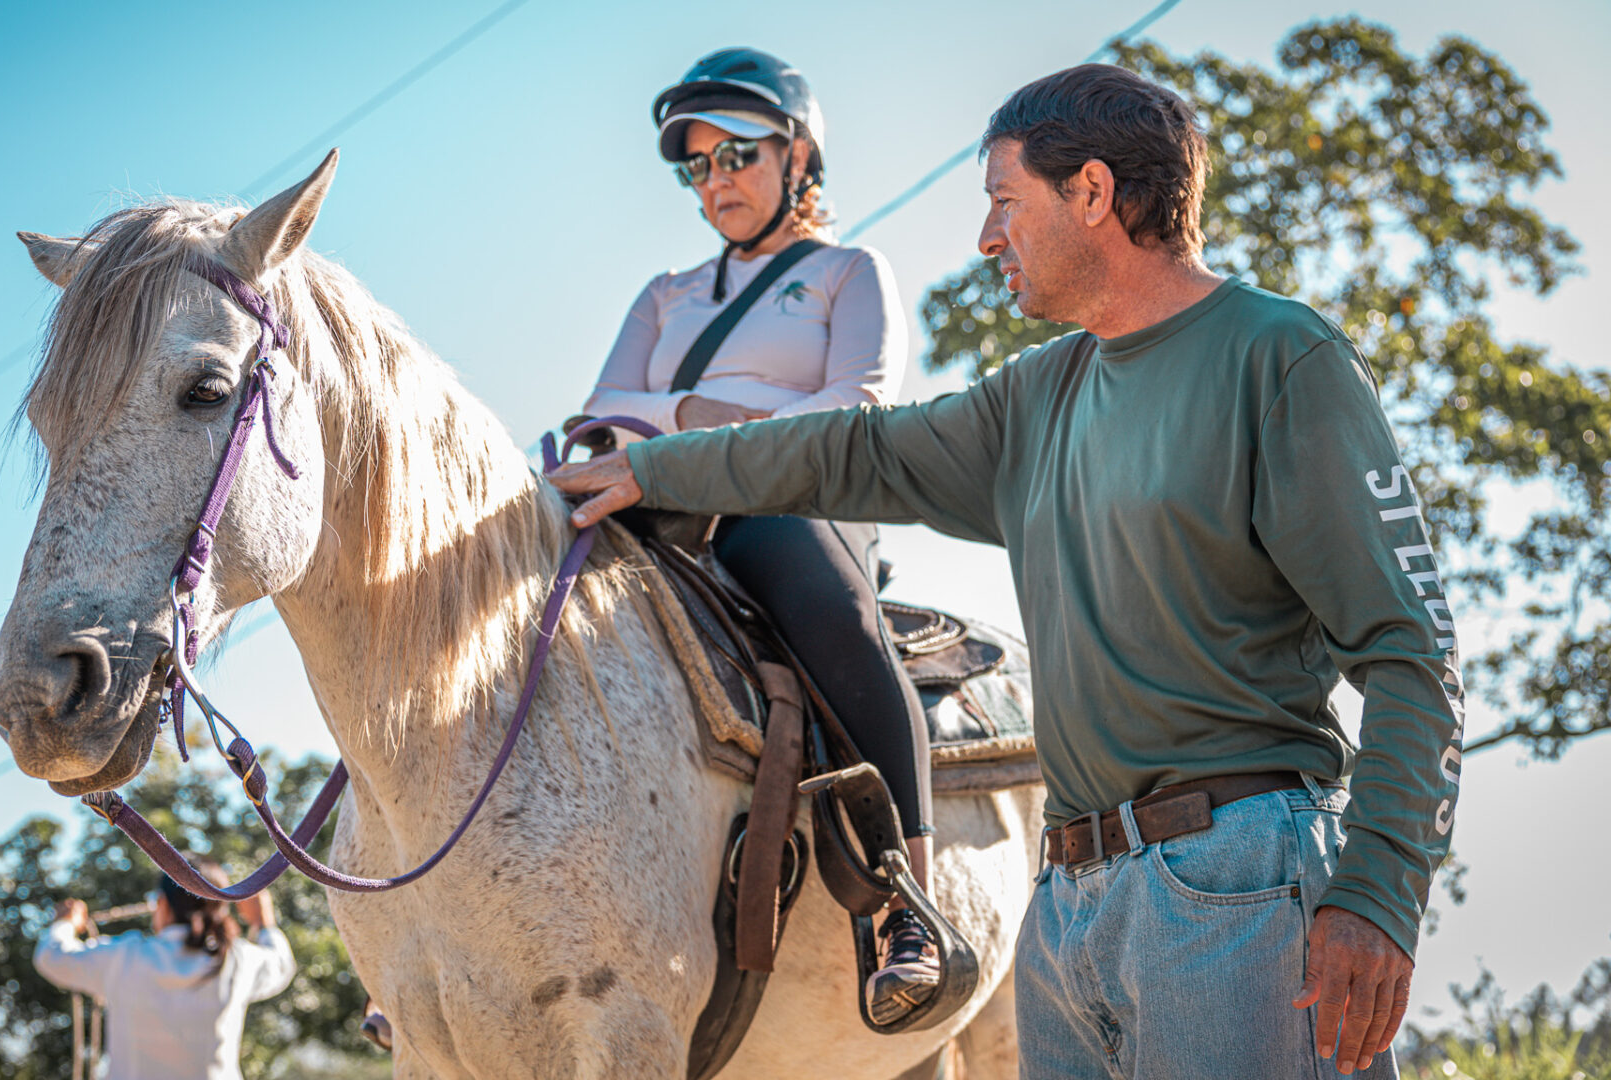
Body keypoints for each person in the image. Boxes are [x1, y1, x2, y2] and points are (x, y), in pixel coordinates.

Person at [550, 63, 1463, 1079]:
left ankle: (905, 893)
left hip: (1237, 883)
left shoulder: (1279, 357)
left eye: (1003, 203)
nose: (988, 239)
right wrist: (645, 467)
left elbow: (1411, 652)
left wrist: (1378, 888)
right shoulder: (1035, 394)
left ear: (1093, 194)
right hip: (1065, 908)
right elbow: (850, 450)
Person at [585, 46, 942, 1025]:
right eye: (695, 165)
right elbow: (600, 411)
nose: (716, 180)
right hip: (650, 499)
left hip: (791, 502)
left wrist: (691, 417)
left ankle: (907, 900)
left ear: (799, 158)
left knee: (836, 615)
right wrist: (708, 416)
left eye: (737, 153)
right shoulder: (664, 292)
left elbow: (854, 411)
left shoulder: (847, 271)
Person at [35, 864, 297, 1080]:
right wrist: (263, 923)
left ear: (161, 904)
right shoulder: (237, 960)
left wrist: (65, 923)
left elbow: (52, 956)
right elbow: (281, 964)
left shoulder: (124, 957)